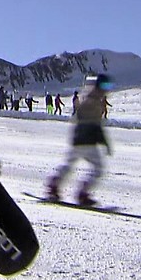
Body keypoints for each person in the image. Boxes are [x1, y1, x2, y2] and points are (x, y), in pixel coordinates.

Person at [46, 73, 115, 207]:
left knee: (68, 164)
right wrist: (104, 142)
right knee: (98, 168)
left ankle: (53, 186)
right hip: (87, 140)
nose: (107, 89)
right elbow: (94, 124)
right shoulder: (94, 100)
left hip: (78, 139)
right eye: (106, 85)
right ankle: (82, 194)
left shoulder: (89, 96)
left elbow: (79, 118)